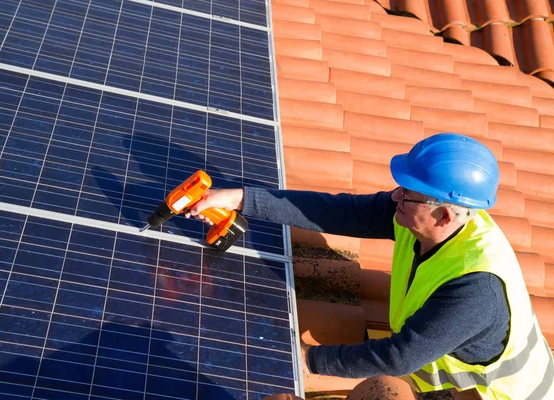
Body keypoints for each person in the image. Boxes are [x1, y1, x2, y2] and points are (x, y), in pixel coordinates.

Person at [186, 133, 554, 399]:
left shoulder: (475, 289)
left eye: (407, 193)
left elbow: (399, 357)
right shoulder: (428, 218)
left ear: (442, 215)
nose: (395, 196)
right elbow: (339, 210)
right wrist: (241, 198)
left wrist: (310, 359)